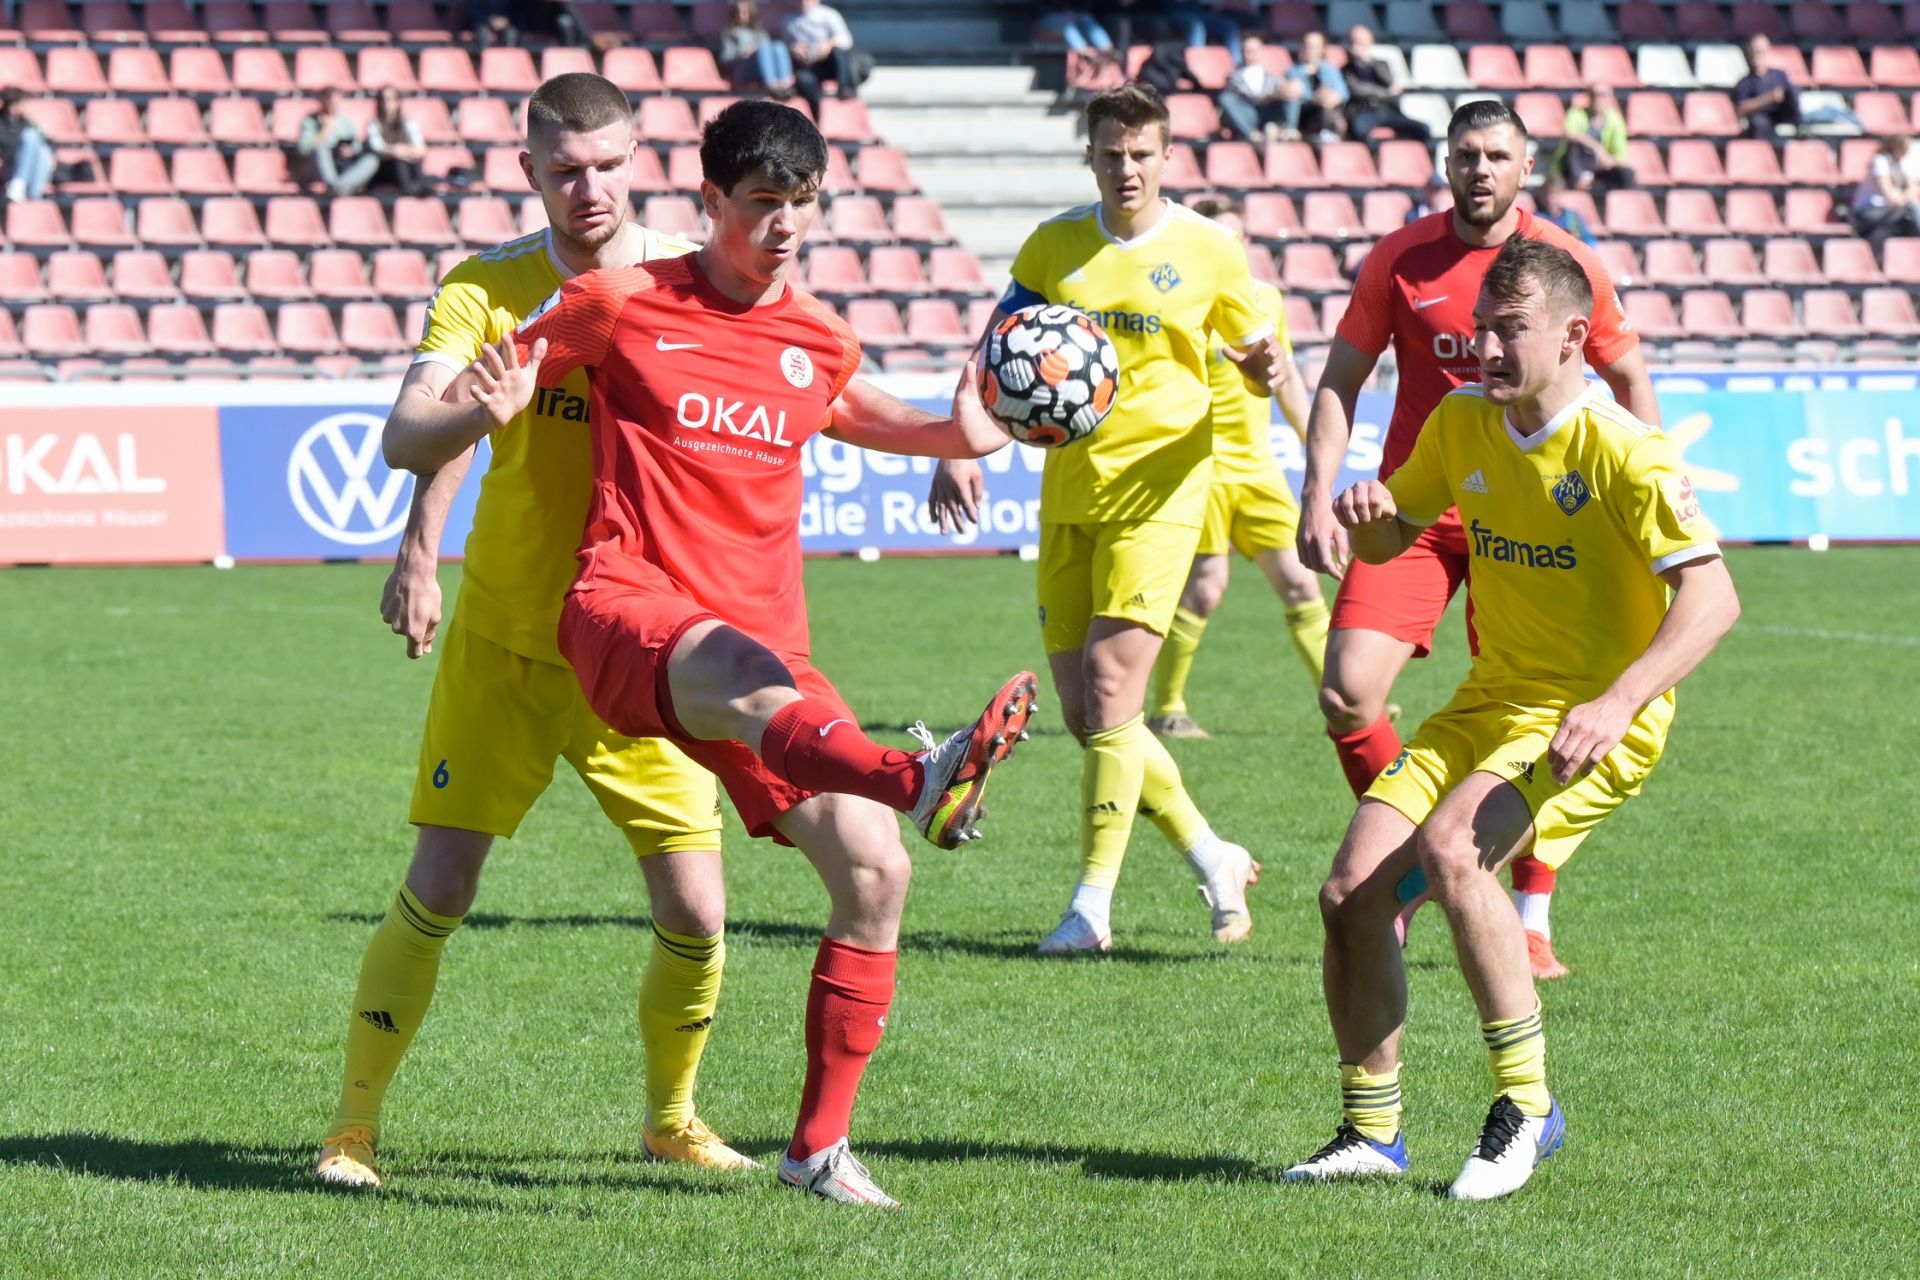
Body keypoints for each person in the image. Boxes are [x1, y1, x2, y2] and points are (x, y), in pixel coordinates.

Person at [445, 100, 1038, 1209]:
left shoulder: (818, 337)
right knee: (745, 678)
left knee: (875, 870)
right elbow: (447, 406)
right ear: (710, 200)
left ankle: (817, 1149)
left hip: (766, 656)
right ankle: (916, 774)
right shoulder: (617, 301)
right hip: (628, 609)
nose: (784, 226)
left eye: (802, 206)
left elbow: (889, 418)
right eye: (763, 204)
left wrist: (969, 429)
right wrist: (482, 407)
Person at [316, 73, 751, 1194]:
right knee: (441, 884)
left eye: (607, 166)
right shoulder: (488, 287)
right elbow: (411, 434)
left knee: (698, 906)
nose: (588, 188)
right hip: (507, 639)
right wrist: (427, 536)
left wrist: (945, 439)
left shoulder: (691, 285)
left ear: (638, 161)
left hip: (642, 650)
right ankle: (351, 1129)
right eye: (564, 170)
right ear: (530, 172)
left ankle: (672, 1120)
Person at [1284, 236, 1740, 1200]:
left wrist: (1617, 702)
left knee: (1455, 851)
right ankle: (1371, 1133)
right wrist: (1370, 518)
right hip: (1490, 704)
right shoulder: (1461, 420)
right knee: (1350, 896)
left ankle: (1527, 1107)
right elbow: (1396, 535)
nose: (1485, 348)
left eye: (1511, 330)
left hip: (1594, 722)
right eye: (1480, 328)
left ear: (1574, 337)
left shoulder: (1625, 448)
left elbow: (1714, 598)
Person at [1296, 100, 1660, 980]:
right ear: (1445, 163)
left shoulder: (1563, 264)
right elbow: (1342, 377)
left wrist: (1640, 501)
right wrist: (1316, 492)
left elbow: (1627, 373)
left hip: (1529, 520)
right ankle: (1418, 868)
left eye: (1498, 155)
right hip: (1417, 513)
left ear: (1526, 167)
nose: (1481, 169)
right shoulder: (1400, 258)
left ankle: (1526, 914)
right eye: (1466, 154)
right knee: (1347, 693)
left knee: (1534, 710)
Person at [927, 83, 1287, 955]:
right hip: (1070, 492)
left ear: (1167, 157)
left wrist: (1264, 368)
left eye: (1142, 153)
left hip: (1162, 493)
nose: (1127, 168)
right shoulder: (1054, 245)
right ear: (1089, 157)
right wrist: (954, 444)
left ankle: (1090, 909)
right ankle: (1213, 855)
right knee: (1091, 716)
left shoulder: (1211, 249)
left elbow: (1256, 356)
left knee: (1114, 689)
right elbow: (994, 351)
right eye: (1111, 153)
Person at [1147, 195, 1329, 741]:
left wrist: (1316, 446)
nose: (1229, 245)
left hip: (1258, 469)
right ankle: (1168, 709)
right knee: (1206, 587)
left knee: (1301, 583)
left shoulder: (1266, 299)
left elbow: (1285, 379)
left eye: (1236, 236)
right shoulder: (1179, 300)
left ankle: (1345, 702)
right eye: (1218, 235)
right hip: (1200, 466)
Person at [1733, 34, 1863, 139]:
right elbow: (1740, 109)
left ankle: (1800, 127)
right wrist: (1769, 98)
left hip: (1785, 113)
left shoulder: (1779, 74)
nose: (1758, 55)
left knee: (1794, 91)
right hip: (1763, 116)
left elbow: (1791, 96)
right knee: (1758, 123)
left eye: (1761, 51)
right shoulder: (1745, 82)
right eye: (1755, 51)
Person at [1342, 24, 1430, 143]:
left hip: (1387, 110)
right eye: (1354, 42)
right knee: (1359, 128)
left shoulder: (1382, 64)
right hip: (1365, 110)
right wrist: (1385, 93)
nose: (1358, 45)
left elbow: (1390, 83)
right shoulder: (1347, 69)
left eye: (1361, 42)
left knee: (1423, 129)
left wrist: (1369, 62)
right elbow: (1358, 90)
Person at [1553, 84, 1634, 199]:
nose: (1598, 99)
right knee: (1573, 148)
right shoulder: (1577, 113)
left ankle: (1624, 203)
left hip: (1600, 168)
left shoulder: (1615, 120)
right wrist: (1597, 148)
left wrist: (1609, 161)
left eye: (1602, 95)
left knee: (1627, 173)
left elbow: (1620, 155)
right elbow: (1570, 134)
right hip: (1578, 164)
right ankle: (1579, 182)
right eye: (1594, 95)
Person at [1217, 31, 1299, 142]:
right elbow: (1253, 98)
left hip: (1270, 111)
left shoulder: (1271, 76)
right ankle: (1252, 135)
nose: (1251, 54)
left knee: (1292, 91)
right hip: (1249, 114)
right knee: (1225, 98)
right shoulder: (1234, 77)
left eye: (1255, 50)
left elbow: (1284, 88)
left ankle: (1289, 130)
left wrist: (1288, 89)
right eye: (1248, 51)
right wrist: (1274, 95)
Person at [296, 87, 379, 196]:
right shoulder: (310, 121)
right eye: (331, 102)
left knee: (371, 160)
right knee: (321, 149)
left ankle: (338, 186)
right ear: (323, 101)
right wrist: (325, 131)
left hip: (342, 164)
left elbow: (357, 146)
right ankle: (334, 186)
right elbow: (304, 149)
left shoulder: (345, 122)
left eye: (337, 102)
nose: (334, 105)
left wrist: (351, 150)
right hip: (318, 167)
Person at [785, 0, 859, 119]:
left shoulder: (828, 15)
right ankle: (816, 116)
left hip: (829, 63)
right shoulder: (788, 19)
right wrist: (793, 48)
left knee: (838, 52)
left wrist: (829, 44)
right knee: (804, 80)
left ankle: (846, 89)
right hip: (808, 65)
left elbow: (846, 40)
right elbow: (782, 42)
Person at [1848, 134, 1920, 247]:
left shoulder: (1900, 162)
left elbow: (1914, 188)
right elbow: (1890, 197)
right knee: (1911, 207)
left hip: (1889, 210)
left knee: (1912, 210)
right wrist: (1906, 197)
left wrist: (1905, 197)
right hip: (1868, 212)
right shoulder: (1880, 161)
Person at [719, 0, 797, 97]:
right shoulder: (731, 34)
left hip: (760, 71)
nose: (741, 15)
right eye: (738, 12)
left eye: (745, 12)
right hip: (742, 70)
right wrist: (745, 53)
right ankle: (771, 85)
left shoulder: (760, 33)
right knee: (763, 48)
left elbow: (770, 54)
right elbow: (726, 59)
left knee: (778, 45)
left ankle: (785, 84)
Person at [1286, 29, 1349, 143]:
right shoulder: (1294, 71)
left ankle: (1332, 134)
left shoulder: (1330, 70)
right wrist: (1316, 97)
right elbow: (1297, 94)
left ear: (1322, 49)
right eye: (1307, 46)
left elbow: (1343, 93)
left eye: (1314, 47)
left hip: (1328, 110)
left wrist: (1333, 98)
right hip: (1306, 114)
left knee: (1329, 110)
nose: (1310, 50)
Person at [367, 86, 431, 196]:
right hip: (384, 168)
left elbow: (420, 147)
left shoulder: (407, 122)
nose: (386, 103)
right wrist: (396, 150)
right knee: (399, 162)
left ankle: (420, 186)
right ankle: (408, 189)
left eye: (390, 99)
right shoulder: (374, 124)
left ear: (397, 102)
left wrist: (407, 151)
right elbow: (377, 147)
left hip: (406, 160)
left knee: (415, 159)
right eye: (383, 99)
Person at [1, 88, 56, 203]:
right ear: (14, 105)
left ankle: (26, 189)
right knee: (30, 136)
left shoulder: (25, 122)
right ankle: (25, 188)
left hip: (29, 165)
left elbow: (46, 140)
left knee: (43, 151)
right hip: (8, 164)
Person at [1538, 174, 1597, 247]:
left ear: (1561, 195)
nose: (1550, 200)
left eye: (1555, 196)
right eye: (1547, 195)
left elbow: (1588, 239)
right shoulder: (1538, 218)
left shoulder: (1573, 217)